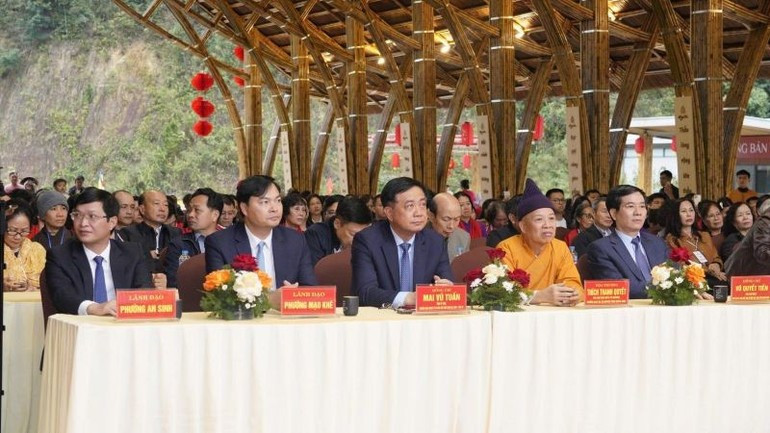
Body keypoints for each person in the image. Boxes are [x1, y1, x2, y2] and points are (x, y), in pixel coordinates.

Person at [44, 188, 161, 316]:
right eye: (77, 215)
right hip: (82, 329)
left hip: (123, 327)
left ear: (112, 222)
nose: (83, 223)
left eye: (92, 216)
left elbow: (142, 293)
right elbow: (62, 296)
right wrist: (94, 308)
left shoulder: (133, 253)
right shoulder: (60, 255)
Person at [352, 177, 453, 308]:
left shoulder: (435, 241)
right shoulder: (367, 240)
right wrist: (408, 298)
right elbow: (365, 292)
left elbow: (447, 283)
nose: (419, 213)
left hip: (423, 322)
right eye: (410, 206)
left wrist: (446, 288)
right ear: (389, 213)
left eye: (422, 204)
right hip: (383, 321)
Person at [205, 175, 318, 291]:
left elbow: (309, 288)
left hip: (285, 309)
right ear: (244, 208)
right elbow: (220, 297)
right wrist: (272, 300)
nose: (274, 208)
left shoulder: (295, 240)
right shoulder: (219, 243)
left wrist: (292, 297)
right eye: (265, 202)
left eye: (278, 201)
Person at [497, 179, 582, 306]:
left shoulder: (560, 247)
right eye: (539, 219)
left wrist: (572, 294)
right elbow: (503, 293)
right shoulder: (506, 248)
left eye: (551, 218)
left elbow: (572, 281)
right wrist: (540, 296)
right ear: (523, 226)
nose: (547, 225)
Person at [586, 185, 672, 299]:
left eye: (642, 206)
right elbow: (618, 288)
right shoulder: (600, 249)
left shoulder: (657, 243)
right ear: (613, 213)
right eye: (630, 206)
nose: (638, 212)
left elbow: (673, 276)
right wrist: (667, 288)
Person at [164, 188, 223, 287]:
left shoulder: (229, 242)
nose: (190, 215)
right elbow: (173, 281)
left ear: (215, 215)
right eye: (189, 210)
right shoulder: (178, 244)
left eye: (197, 210)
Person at [664, 198, 727, 286]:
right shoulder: (672, 239)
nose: (689, 214)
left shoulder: (704, 235)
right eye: (683, 211)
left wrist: (716, 264)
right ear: (676, 214)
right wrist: (709, 271)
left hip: (713, 277)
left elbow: (716, 257)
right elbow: (682, 266)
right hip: (693, 281)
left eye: (691, 210)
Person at [120, 190, 182, 273]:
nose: (162, 209)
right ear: (142, 209)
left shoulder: (175, 233)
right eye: (156, 204)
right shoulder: (127, 233)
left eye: (166, 205)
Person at [305, 196, 372, 266]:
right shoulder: (315, 234)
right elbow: (317, 271)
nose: (358, 241)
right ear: (337, 224)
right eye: (352, 235)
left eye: (362, 236)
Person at [3, 202, 46, 291]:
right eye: (12, 230)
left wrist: (32, 288)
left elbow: (50, 283)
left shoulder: (37, 250)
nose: (18, 237)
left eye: (24, 231)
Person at [725, 197, 770, 276]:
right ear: (733, 221)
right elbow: (762, 252)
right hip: (744, 279)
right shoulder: (764, 222)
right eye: (740, 215)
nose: (745, 217)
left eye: (748, 213)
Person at [428, 192, 470, 262]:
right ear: (431, 216)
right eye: (446, 219)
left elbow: (463, 268)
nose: (451, 226)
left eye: (456, 219)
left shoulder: (464, 238)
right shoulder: (415, 236)